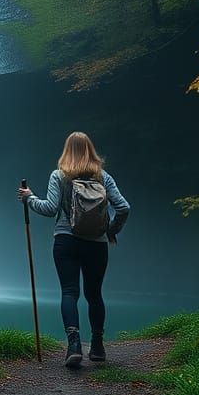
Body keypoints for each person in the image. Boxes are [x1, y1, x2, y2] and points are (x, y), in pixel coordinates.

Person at [17, 131, 130, 368]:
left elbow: (49, 209)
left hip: (66, 241)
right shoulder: (104, 178)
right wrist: (111, 231)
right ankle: (97, 347)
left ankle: (74, 345)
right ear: (91, 150)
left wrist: (29, 198)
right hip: (96, 244)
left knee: (69, 292)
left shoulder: (59, 176)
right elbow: (123, 207)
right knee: (94, 294)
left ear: (67, 151)